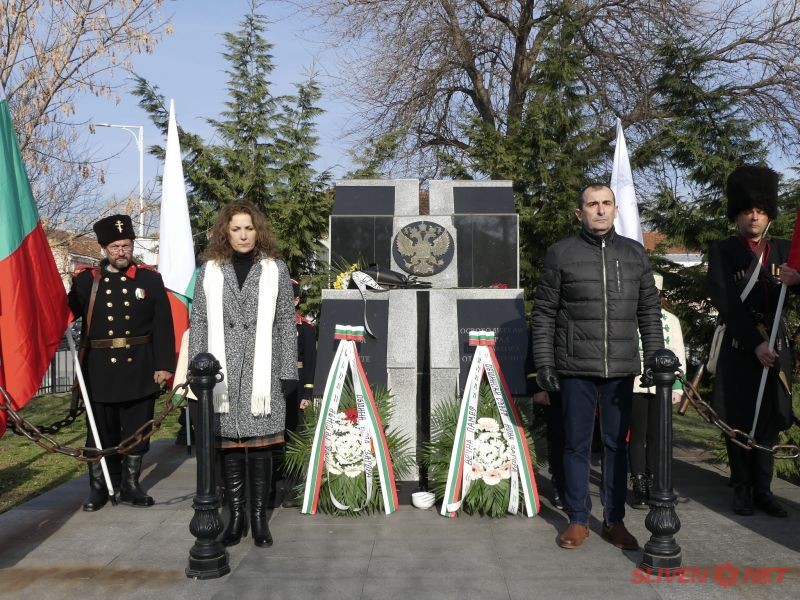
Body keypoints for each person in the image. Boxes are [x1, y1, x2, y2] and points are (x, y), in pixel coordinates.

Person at [532, 184, 664, 550]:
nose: (601, 210)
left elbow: (649, 312)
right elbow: (544, 314)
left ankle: (614, 520)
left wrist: (655, 357)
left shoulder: (635, 254)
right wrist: (544, 363)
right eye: (593, 204)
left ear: (616, 209)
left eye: (606, 203)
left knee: (616, 447)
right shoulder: (562, 253)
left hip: (621, 367)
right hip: (575, 367)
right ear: (580, 213)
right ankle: (577, 519)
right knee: (575, 445)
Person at [188, 200, 297, 547]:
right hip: (221, 372)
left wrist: (287, 369)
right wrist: (198, 368)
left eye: (249, 228)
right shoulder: (209, 270)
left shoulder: (275, 268)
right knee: (229, 447)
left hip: (264, 371)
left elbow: (286, 320)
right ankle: (236, 517)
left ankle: (259, 519)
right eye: (236, 229)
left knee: (261, 446)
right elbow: (199, 320)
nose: (243, 235)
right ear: (226, 232)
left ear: (257, 230)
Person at [708, 165, 800, 518]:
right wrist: (754, 343)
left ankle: (763, 489)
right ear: (738, 214)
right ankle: (742, 487)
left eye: (760, 211)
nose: (754, 217)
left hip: (775, 347)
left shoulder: (784, 251)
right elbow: (726, 301)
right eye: (748, 211)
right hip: (741, 346)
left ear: (769, 215)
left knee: (769, 419)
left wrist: (798, 280)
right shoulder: (724, 251)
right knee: (738, 418)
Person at [68, 214, 175, 511]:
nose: (121, 251)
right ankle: (99, 487)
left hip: (139, 366)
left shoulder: (150, 279)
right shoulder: (86, 281)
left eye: (126, 245)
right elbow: (64, 312)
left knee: (137, 431)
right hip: (99, 370)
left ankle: (130, 485)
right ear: (104, 248)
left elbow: (163, 325)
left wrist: (164, 365)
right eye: (115, 247)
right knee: (100, 431)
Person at [628, 272, 686, 508]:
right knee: (637, 436)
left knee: (656, 436)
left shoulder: (671, 320)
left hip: (662, 386)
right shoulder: (630, 317)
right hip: (635, 384)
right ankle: (638, 482)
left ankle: (653, 481)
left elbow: (679, 353)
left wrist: (678, 387)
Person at [280, 278, 317, 508]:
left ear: (296, 300)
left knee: (294, 437)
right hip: (273, 389)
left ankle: (293, 489)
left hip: (297, 386)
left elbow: (310, 363)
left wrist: (307, 394)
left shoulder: (305, 328)